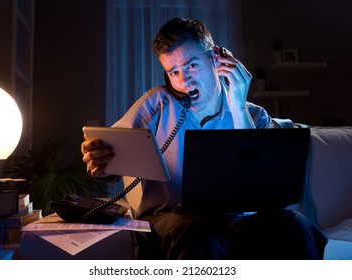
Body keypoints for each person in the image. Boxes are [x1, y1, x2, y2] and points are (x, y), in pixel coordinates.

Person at [81, 17, 327, 259]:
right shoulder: (157, 103)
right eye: (173, 71)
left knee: (295, 226)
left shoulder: (252, 114)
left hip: (236, 221)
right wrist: (103, 161)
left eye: (191, 65)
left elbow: (264, 188)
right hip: (170, 220)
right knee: (200, 229)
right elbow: (113, 154)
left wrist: (238, 107)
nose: (183, 80)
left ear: (216, 58)